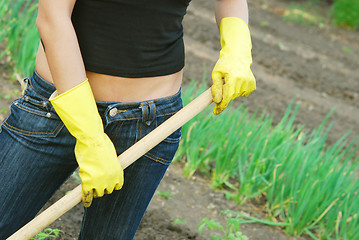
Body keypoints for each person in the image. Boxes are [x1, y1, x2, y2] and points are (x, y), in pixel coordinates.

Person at [0, 0, 255, 239]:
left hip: (148, 123)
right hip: (53, 112)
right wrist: (90, 134)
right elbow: (52, 17)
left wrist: (237, 47)